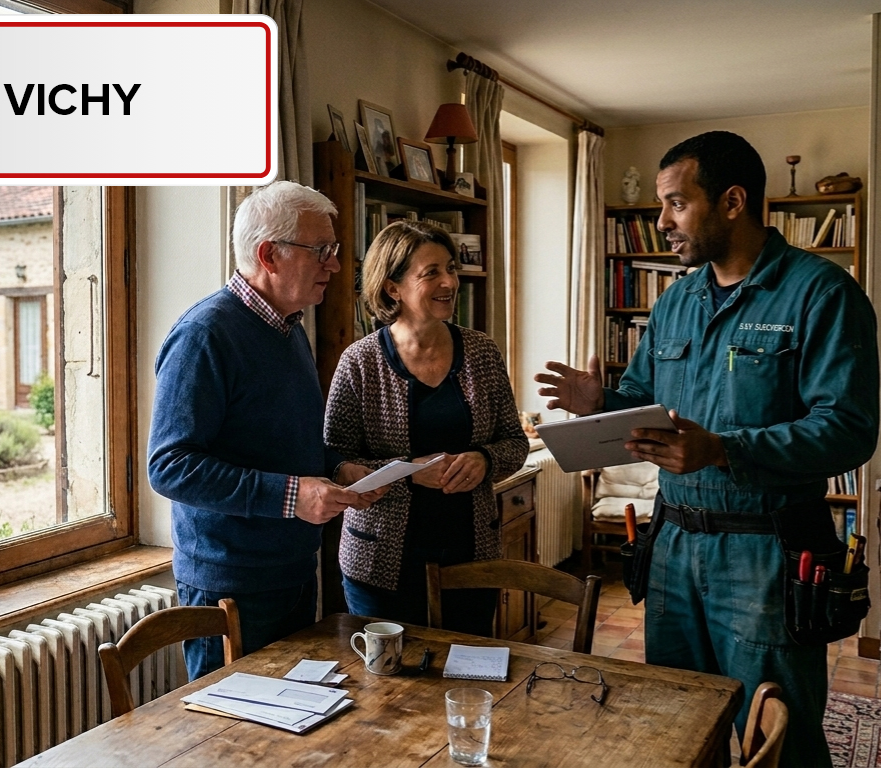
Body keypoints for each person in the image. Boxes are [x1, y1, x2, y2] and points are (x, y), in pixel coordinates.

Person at [535, 131, 879, 767]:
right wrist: (601, 400)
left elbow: (849, 430)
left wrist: (722, 450)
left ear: (732, 201)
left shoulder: (821, 293)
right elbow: (644, 403)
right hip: (671, 549)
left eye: (676, 203)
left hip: (764, 554)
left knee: (780, 739)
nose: (662, 222)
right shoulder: (675, 302)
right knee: (677, 727)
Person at [148, 181, 384, 680]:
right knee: (230, 728)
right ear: (268, 255)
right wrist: (293, 496)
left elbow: (280, 441)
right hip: (229, 585)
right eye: (321, 251)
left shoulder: (288, 327)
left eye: (334, 250)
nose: (335, 265)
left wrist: (337, 469)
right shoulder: (204, 334)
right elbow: (169, 467)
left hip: (292, 570)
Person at [325, 220, 528, 636]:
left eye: (450, 268)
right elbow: (334, 461)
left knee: (469, 666)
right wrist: (409, 473)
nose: (449, 282)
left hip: (472, 556)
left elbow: (515, 442)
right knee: (388, 676)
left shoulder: (482, 352)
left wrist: (484, 460)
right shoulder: (359, 362)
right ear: (393, 288)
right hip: (380, 564)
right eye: (431, 272)